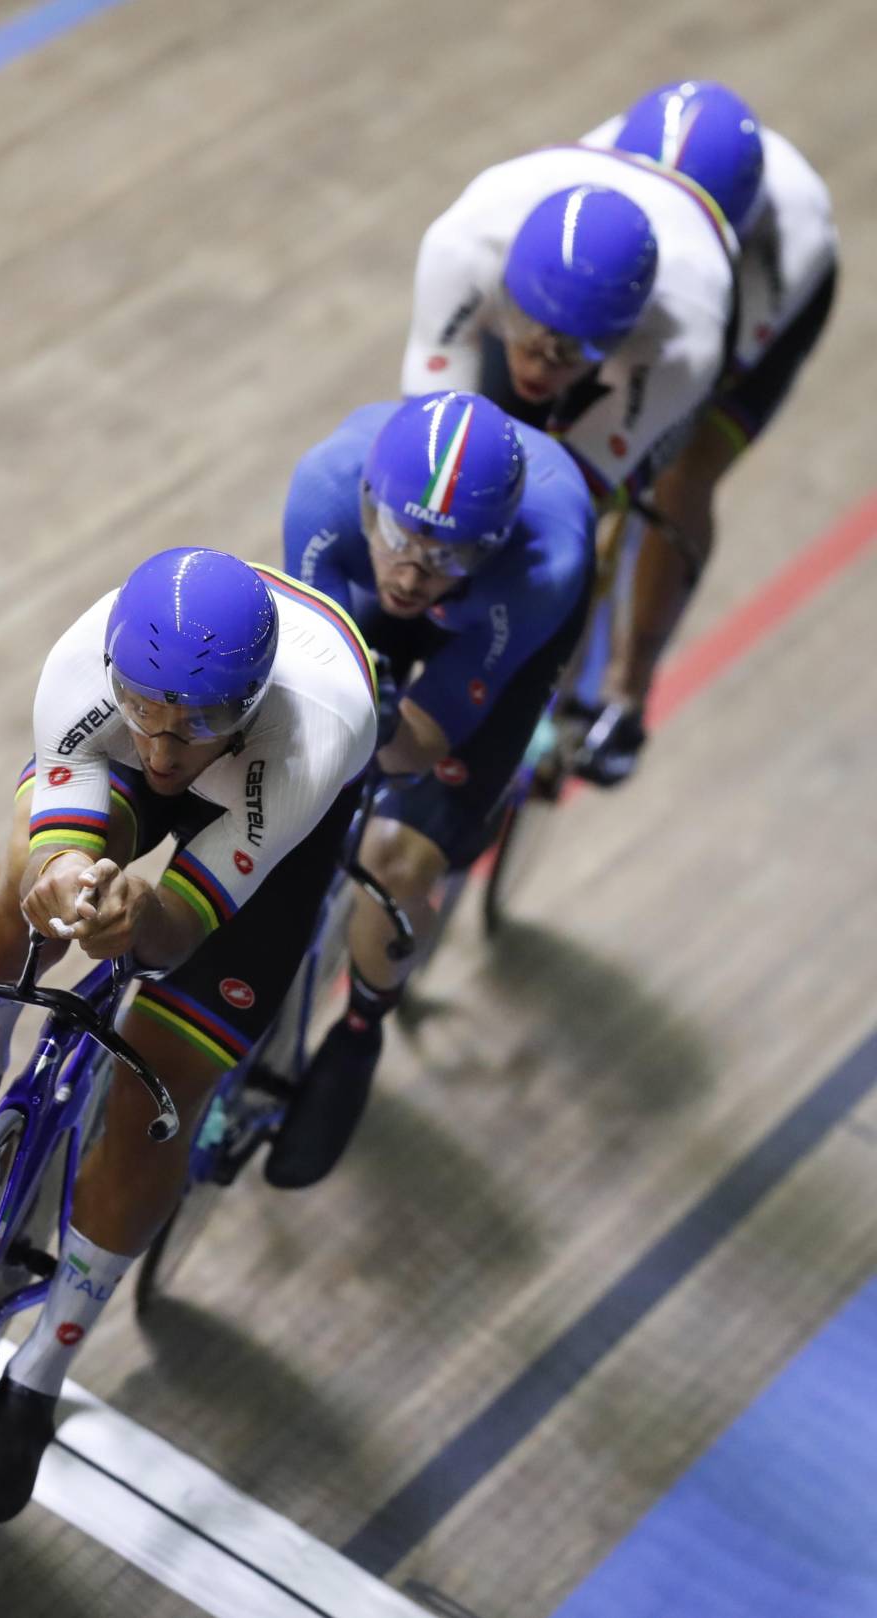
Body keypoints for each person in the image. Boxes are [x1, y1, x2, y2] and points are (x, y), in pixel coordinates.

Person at [0, 546, 377, 1522]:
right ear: (117, 672)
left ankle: (39, 1379)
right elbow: (65, 825)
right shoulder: (86, 671)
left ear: (245, 702)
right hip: (166, 744)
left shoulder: (307, 735)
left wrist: (133, 918)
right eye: (143, 705)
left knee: (164, 1086)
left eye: (191, 722)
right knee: (28, 873)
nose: (161, 742)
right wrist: (68, 881)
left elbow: (178, 930)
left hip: (273, 810)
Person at [264, 390, 595, 1189]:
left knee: (400, 856)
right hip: (382, 589)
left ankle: (361, 1028)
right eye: (402, 538)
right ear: (368, 501)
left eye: (445, 553)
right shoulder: (324, 493)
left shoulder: (537, 570)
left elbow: (416, 746)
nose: (413, 570)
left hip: (492, 629)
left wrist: (387, 735)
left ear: (489, 545)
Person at [399, 139, 740, 783]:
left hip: (661, 338)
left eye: (566, 356)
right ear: (506, 296)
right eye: (529, 342)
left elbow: (570, 494)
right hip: (541, 276)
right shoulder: (463, 248)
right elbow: (431, 444)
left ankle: (577, 688)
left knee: (566, 524)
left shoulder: (684, 341)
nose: (539, 367)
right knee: (441, 474)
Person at [569, 81, 838, 783]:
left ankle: (630, 686)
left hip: (743, 326)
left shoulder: (788, 243)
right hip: (626, 270)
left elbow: (681, 386)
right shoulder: (589, 170)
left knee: (680, 472)